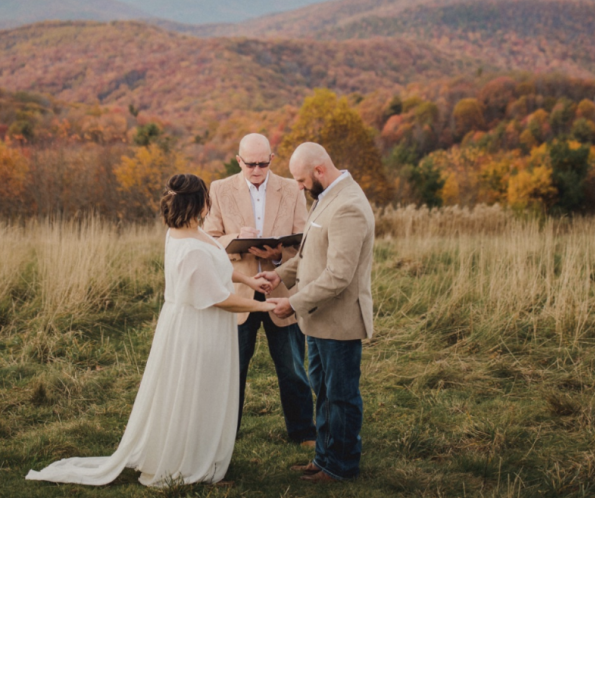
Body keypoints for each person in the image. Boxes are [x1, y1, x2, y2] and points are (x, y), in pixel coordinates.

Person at [26, 174, 276, 490]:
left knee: (201, 392)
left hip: (198, 325)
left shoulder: (190, 233)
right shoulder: (190, 248)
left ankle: (197, 456)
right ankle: (188, 468)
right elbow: (218, 299)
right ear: (199, 204)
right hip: (196, 331)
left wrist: (252, 283)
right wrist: (265, 307)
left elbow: (217, 274)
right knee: (195, 394)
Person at [258, 143, 375, 484]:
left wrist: (291, 303)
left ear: (319, 171)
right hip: (318, 320)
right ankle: (324, 458)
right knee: (323, 393)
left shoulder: (349, 206)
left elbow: (339, 275)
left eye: (301, 179)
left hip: (339, 322)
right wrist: (280, 274)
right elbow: (311, 258)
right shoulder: (325, 199)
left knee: (341, 396)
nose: (298, 187)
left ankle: (341, 466)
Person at [204, 133, 316, 444]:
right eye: (250, 164)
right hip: (239, 294)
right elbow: (210, 239)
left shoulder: (291, 189)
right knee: (233, 369)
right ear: (238, 160)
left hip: (281, 289)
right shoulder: (219, 189)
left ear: (271, 159)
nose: (256, 170)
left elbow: (304, 239)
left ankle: (304, 432)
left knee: (293, 365)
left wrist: (278, 255)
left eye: (263, 163)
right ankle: (226, 435)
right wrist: (236, 238)